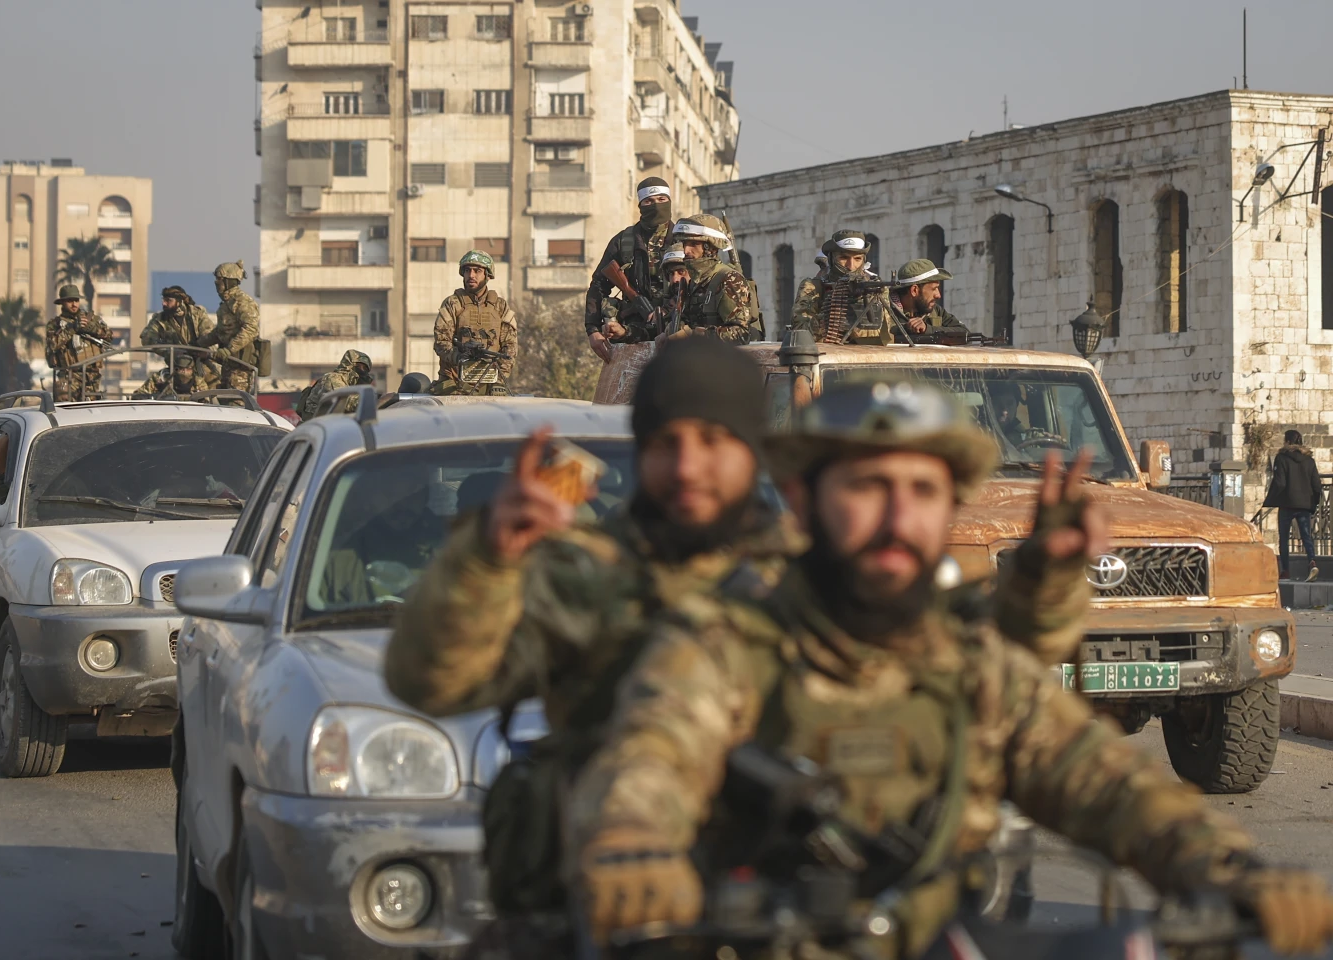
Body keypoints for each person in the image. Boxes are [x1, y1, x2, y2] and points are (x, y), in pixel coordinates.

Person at [568, 380, 1333, 958]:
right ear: (801, 497)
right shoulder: (724, 645)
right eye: (869, 488)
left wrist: (1227, 871)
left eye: (924, 492)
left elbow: (1101, 779)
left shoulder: (973, 666)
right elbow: (652, 755)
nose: (900, 519)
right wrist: (634, 847)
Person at [385, 342, 1093, 956]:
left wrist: (1044, 580)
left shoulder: (816, 568)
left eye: (713, 441)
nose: (688, 466)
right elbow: (430, 682)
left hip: (798, 908)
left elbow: (979, 667)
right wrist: (484, 565)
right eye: (666, 443)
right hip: (617, 908)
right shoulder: (582, 575)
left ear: (750, 447)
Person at [586, 176, 677, 363]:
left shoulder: (683, 240)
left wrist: (667, 311)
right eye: (649, 201)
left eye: (661, 199)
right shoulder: (624, 241)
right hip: (631, 336)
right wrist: (593, 330)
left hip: (676, 333)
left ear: (669, 201)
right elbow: (598, 285)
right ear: (640, 205)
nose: (656, 205)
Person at [432, 250, 517, 396]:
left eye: (477, 271)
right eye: (467, 270)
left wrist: (499, 380)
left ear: (487, 275)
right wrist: (459, 357)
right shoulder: (453, 304)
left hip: (492, 382)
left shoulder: (500, 306)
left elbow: (510, 347)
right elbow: (441, 341)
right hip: (455, 381)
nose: (471, 275)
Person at [663, 214, 755, 343]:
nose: (686, 250)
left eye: (694, 244)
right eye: (685, 244)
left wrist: (694, 335)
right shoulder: (694, 282)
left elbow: (740, 334)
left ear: (709, 248)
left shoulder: (729, 279)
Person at [791, 229, 893, 344]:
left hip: (868, 354)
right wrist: (827, 319)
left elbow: (884, 331)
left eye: (857, 259)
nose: (851, 266)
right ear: (831, 259)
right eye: (844, 258)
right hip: (829, 355)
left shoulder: (875, 288)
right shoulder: (813, 287)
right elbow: (800, 330)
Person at [1264, 429, 1323, 581]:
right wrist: (1313, 503)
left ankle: (1285, 571)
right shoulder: (1309, 460)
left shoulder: (1281, 458)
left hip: (1286, 504)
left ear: (1287, 442)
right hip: (1304, 505)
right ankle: (1312, 563)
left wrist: (1270, 500)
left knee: (1283, 538)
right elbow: (1317, 485)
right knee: (1306, 536)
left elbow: (1279, 483)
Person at [602, 245, 690, 344]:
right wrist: (624, 332)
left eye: (681, 272)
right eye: (670, 273)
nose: (675, 279)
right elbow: (649, 333)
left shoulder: (702, 299)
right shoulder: (672, 305)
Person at [197, 261, 261, 392]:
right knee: (224, 401)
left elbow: (251, 329)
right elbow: (221, 332)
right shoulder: (227, 304)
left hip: (240, 366)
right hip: (228, 364)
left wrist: (229, 350)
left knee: (236, 403)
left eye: (219, 279)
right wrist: (200, 342)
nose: (216, 283)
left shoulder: (242, 302)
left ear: (229, 281)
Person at [45, 285, 112, 401]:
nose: (74, 304)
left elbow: (109, 336)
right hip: (69, 376)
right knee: (66, 410)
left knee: (91, 411)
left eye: (76, 300)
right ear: (62, 302)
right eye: (70, 301)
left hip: (92, 376)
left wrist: (92, 329)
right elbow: (53, 345)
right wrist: (73, 328)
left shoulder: (92, 319)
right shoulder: (55, 324)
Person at [142, 285, 217, 387]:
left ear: (179, 301)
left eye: (168, 300)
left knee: (216, 383)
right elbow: (147, 338)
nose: (164, 303)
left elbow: (210, 335)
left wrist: (200, 348)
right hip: (176, 366)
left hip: (201, 363)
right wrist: (169, 351)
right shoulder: (160, 319)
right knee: (159, 385)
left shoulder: (197, 314)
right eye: (163, 300)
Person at [891, 258, 967, 338]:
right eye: (934, 289)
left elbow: (964, 332)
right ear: (914, 290)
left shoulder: (936, 311)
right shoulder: (883, 312)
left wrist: (928, 329)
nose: (938, 295)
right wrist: (905, 329)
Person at [296, 349, 374, 418]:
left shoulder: (350, 386)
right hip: (315, 428)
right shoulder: (333, 378)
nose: (363, 370)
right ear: (349, 365)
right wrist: (373, 400)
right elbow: (345, 403)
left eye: (365, 369)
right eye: (359, 366)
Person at [131, 353, 200, 400]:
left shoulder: (197, 381)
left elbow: (206, 398)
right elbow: (138, 396)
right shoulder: (159, 378)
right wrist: (154, 397)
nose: (184, 372)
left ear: (192, 370)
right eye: (181, 369)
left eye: (188, 369)